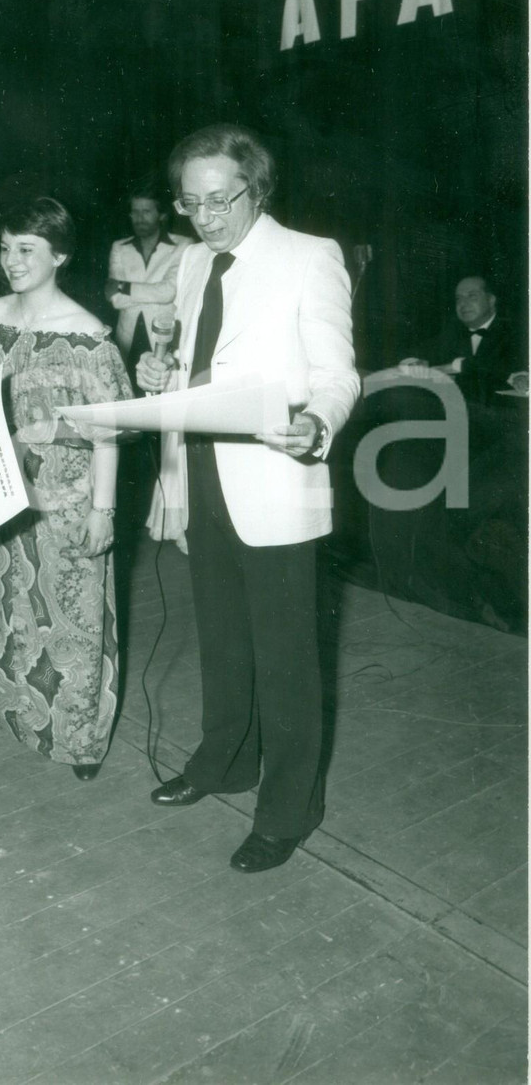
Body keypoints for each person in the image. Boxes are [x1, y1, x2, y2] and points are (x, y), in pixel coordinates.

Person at [139, 125, 360, 873]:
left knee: (287, 657)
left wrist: (316, 423)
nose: (205, 217)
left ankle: (289, 809)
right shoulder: (196, 262)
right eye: (190, 202)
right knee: (223, 639)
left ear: (256, 188)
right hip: (203, 473)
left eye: (220, 200)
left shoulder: (309, 257)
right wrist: (159, 381)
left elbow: (339, 374)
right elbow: (194, 370)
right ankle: (225, 760)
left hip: (274, 472)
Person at [0, 196, 132, 779]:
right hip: (2, 494)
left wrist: (104, 510)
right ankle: (7, 703)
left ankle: (79, 737)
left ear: (59, 254)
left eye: (25, 249)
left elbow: (110, 434)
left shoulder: (90, 336)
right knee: (9, 606)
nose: (10, 260)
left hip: (65, 499)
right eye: (5, 248)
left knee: (75, 621)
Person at [105, 179, 189, 388]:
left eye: (146, 212)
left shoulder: (184, 245)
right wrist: (153, 292)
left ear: (161, 215)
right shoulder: (119, 247)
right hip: (128, 338)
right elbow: (114, 299)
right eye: (135, 212)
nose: (139, 218)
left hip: (163, 338)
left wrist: (123, 287)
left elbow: (168, 292)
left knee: (163, 395)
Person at [398, 274, 525, 404]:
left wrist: (448, 368)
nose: (463, 304)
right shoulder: (452, 332)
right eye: (459, 299)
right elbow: (410, 354)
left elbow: (488, 365)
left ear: (491, 300)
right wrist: (413, 363)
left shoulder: (518, 332)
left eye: (472, 296)